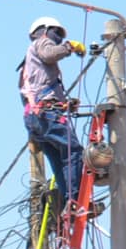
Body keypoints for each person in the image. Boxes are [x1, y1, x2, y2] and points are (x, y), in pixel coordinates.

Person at [18, 17, 87, 211]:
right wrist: (69, 47)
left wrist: (65, 104)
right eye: (56, 32)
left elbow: (37, 90)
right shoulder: (41, 42)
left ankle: (68, 204)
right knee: (73, 152)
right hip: (46, 114)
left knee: (60, 159)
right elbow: (49, 54)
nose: (57, 38)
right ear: (44, 30)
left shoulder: (28, 65)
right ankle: (73, 200)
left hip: (35, 118)